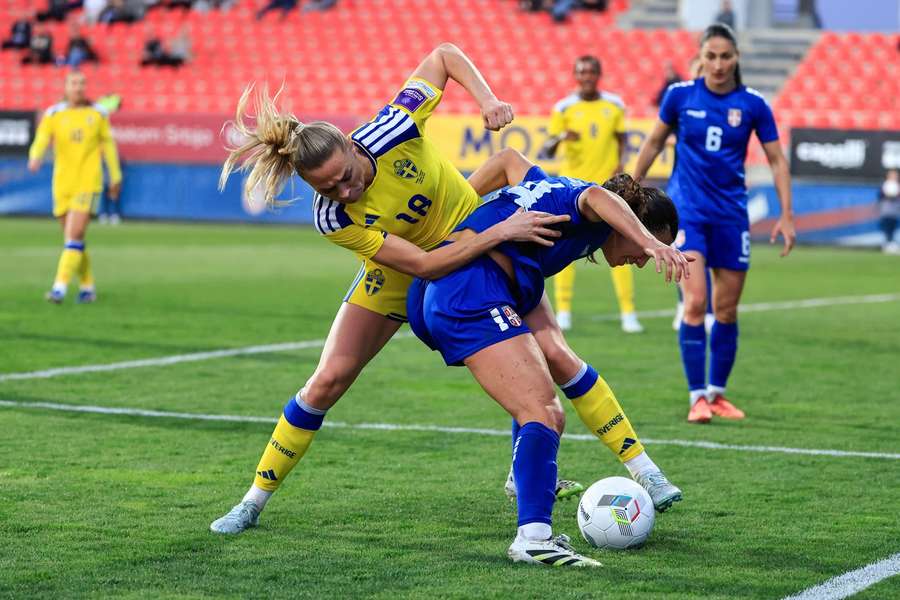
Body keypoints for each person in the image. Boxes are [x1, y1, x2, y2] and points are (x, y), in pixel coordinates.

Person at [211, 43, 680, 537]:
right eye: (329, 189)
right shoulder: (332, 217)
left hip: (484, 253)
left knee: (554, 357)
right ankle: (252, 501)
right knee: (327, 380)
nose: (345, 193)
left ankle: (629, 472)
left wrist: (488, 101)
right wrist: (497, 232)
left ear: (353, 145)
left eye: (346, 178)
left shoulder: (393, 126)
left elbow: (444, 56)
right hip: (412, 269)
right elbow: (423, 263)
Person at [406, 149, 690, 565]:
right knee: (544, 410)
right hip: (471, 288)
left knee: (553, 363)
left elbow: (507, 159)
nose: (644, 259)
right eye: (648, 248)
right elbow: (596, 195)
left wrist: (455, 220)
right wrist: (650, 241)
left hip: (481, 284)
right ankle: (533, 537)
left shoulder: (553, 190)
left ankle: (624, 472)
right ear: (628, 222)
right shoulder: (588, 208)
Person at [633, 24, 796, 424]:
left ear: (736, 58)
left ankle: (717, 394)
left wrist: (787, 215)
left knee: (726, 310)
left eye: (725, 56)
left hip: (731, 215)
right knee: (696, 303)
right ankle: (696, 398)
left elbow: (776, 159)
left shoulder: (753, 104)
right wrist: (631, 190)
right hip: (688, 211)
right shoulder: (679, 96)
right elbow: (654, 142)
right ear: (700, 58)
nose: (718, 64)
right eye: (711, 56)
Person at [539, 55, 643, 333]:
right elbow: (547, 148)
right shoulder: (564, 108)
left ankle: (628, 313)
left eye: (591, 72)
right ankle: (563, 311)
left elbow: (623, 139)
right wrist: (561, 138)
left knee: (620, 248)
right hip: (572, 192)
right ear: (576, 76)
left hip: (607, 191)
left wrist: (621, 162)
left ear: (598, 74)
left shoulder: (614, 105)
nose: (586, 77)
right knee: (563, 248)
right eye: (581, 72)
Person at [28, 71, 123, 304]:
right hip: (62, 184)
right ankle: (88, 288)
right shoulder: (54, 114)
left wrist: (115, 175)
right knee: (74, 241)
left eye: (82, 83)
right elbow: (41, 138)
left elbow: (108, 146)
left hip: (89, 183)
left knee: (74, 235)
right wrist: (35, 156)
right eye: (74, 83)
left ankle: (58, 288)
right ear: (66, 87)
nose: (78, 87)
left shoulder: (98, 114)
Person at [878, 169, 900, 254]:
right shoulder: (885, 185)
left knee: (893, 229)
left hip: (895, 213)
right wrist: (887, 194)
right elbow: (880, 196)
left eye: (895, 175)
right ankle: (887, 246)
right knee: (887, 230)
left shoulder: (897, 185)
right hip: (886, 212)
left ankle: (891, 245)